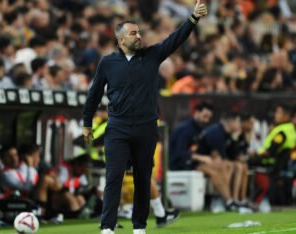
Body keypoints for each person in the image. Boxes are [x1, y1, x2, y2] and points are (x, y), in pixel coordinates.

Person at [82, 1, 208, 233]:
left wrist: (193, 19)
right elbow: (94, 94)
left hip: (146, 128)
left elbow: (175, 39)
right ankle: (107, 228)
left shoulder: (152, 55)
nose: (138, 36)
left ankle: (139, 227)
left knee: (143, 178)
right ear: (121, 40)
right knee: (114, 178)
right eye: (133, 33)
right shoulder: (108, 62)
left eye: (139, 32)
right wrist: (87, 123)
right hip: (117, 128)